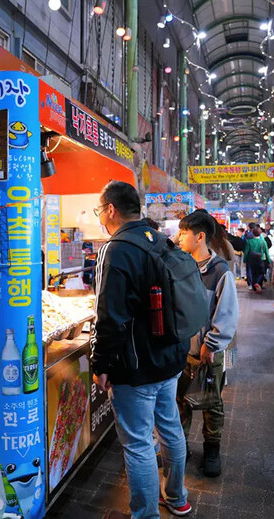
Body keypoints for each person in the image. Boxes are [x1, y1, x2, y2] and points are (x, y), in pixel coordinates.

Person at [91, 181, 192, 519]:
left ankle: (146, 515)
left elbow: (110, 315)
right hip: (170, 357)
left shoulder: (115, 248)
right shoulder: (160, 239)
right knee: (170, 427)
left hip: (137, 367)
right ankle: (177, 498)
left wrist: (101, 362)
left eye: (99, 211)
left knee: (137, 444)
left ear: (110, 210)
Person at [175, 211, 238, 478]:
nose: (178, 237)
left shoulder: (220, 272)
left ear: (200, 237)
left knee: (211, 400)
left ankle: (212, 450)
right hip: (182, 350)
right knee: (180, 401)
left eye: (183, 233)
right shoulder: (181, 266)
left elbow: (226, 313)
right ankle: (181, 447)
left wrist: (211, 344)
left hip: (210, 351)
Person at [244, 226, 270, 293]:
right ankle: (258, 283)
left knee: (253, 273)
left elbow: (246, 252)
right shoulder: (263, 242)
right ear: (260, 233)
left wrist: (244, 260)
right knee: (261, 272)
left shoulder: (250, 241)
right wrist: (269, 261)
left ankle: (254, 287)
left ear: (253, 233)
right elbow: (266, 252)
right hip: (260, 259)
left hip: (251, 260)